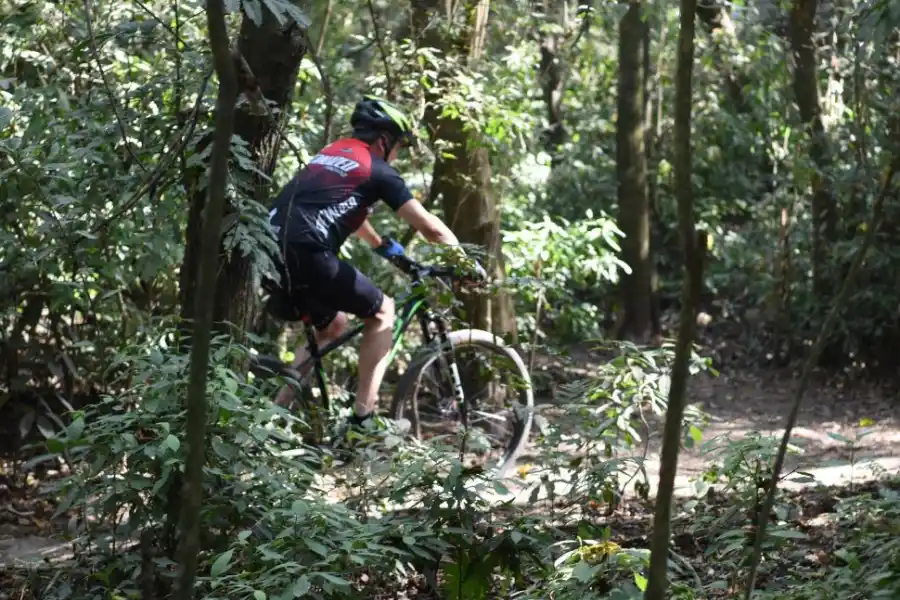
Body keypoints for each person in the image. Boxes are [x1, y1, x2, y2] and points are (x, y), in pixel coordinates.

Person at [263, 95, 476, 435]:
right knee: (383, 313)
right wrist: (465, 263)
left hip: (267, 246)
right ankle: (364, 420)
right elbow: (430, 228)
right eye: (399, 147)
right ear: (383, 140)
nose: (397, 156)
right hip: (308, 251)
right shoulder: (379, 170)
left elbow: (342, 208)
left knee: (331, 328)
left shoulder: (332, 154)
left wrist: (382, 246)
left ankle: (270, 418)